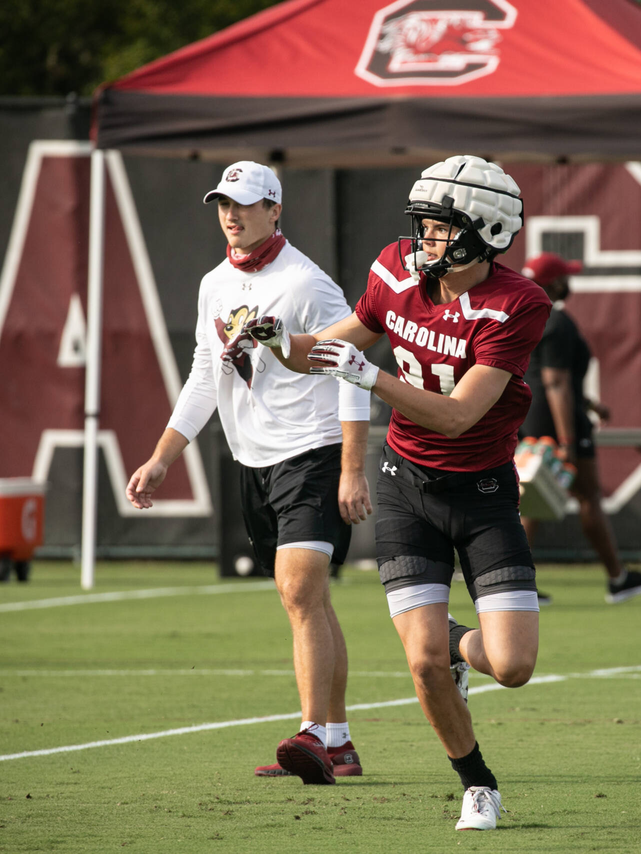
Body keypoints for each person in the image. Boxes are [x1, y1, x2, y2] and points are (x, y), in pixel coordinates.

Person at [246, 155, 549, 831]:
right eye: (425, 226)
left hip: (483, 491)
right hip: (407, 485)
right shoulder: (394, 270)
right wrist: (272, 340)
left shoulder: (518, 303)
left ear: (484, 231)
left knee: (513, 664)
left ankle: (450, 639)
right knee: (420, 662)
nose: (424, 240)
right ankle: (477, 784)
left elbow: (457, 414)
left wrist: (369, 376)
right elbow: (322, 349)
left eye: (440, 228)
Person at [124, 161, 372, 785]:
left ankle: (313, 732)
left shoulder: (306, 284)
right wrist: (161, 458)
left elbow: (352, 366)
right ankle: (338, 743)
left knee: (298, 589)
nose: (231, 215)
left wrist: (350, 468)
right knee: (305, 599)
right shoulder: (214, 283)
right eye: (222, 204)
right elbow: (205, 376)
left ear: (275, 209)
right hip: (253, 461)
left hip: (311, 454)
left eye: (244, 204)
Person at [518, 252, 641, 605]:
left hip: (531, 417)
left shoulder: (525, 317)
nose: (571, 281)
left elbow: (540, 376)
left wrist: (589, 403)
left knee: (530, 503)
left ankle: (517, 582)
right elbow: (554, 382)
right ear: (553, 284)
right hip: (557, 422)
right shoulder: (557, 320)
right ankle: (618, 578)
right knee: (587, 497)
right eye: (565, 276)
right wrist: (567, 438)